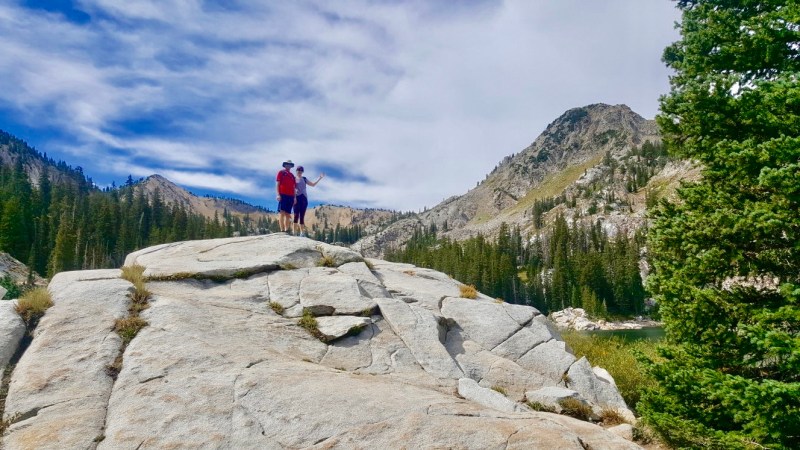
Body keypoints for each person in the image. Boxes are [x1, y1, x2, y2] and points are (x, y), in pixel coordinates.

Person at [293, 166, 324, 237]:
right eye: (298, 170)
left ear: (302, 172)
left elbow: (313, 185)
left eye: (301, 170)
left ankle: (302, 233)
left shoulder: (304, 179)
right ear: (296, 171)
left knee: (302, 216)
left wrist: (320, 178)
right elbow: (292, 188)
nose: (300, 171)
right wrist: (294, 198)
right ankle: (294, 232)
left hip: (304, 199)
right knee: (296, 215)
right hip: (296, 198)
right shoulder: (293, 179)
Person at [275, 160, 296, 232]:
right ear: (285, 165)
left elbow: (294, 187)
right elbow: (278, 184)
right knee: (282, 212)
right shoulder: (281, 172)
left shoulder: (292, 176)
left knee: (288, 213)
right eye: (287, 164)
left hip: (291, 196)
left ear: (291, 166)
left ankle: (286, 230)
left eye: (290, 164)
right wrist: (278, 194)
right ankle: (282, 230)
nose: (288, 166)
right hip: (283, 194)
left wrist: (295, 197)